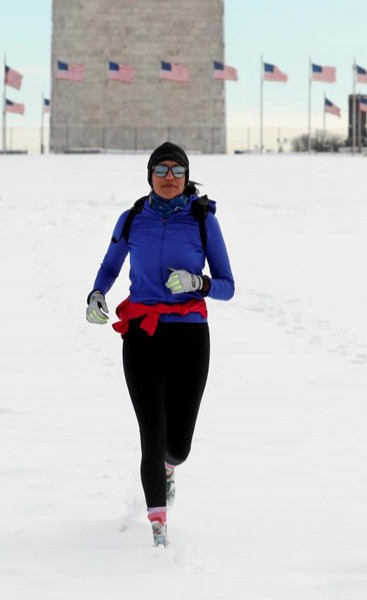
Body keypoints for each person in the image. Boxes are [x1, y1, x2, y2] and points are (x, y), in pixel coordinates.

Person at [86, 142, 235, 547]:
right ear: (149, 175)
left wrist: (197, 283)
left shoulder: (203, 221)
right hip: (142, 335)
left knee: (178, 445)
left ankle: (171, 470)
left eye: (177, 171)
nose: (169, 177)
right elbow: (109, 266)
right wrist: (96, 293)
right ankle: (158, 530)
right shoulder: (133, 219)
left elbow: (227, 285)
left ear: (187, 178)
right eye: (161, 170)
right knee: (151, 434)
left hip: (189, 335)